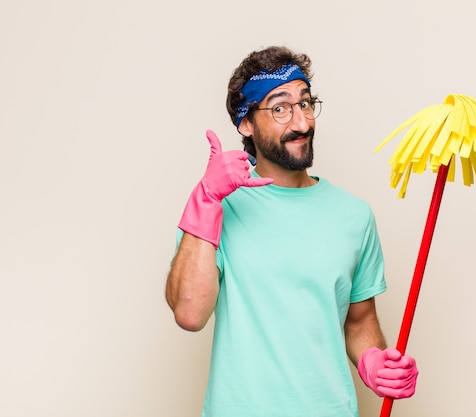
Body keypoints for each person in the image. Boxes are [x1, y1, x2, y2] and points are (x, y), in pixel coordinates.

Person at [165, 46, 418, 417]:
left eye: (306, 103)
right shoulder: (220, 206)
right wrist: (205, 200)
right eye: (280, 108)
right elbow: (189, 314)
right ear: (245, 123)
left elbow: (360, 320)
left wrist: (375, 361)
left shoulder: (354, 215)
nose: (301, 123)